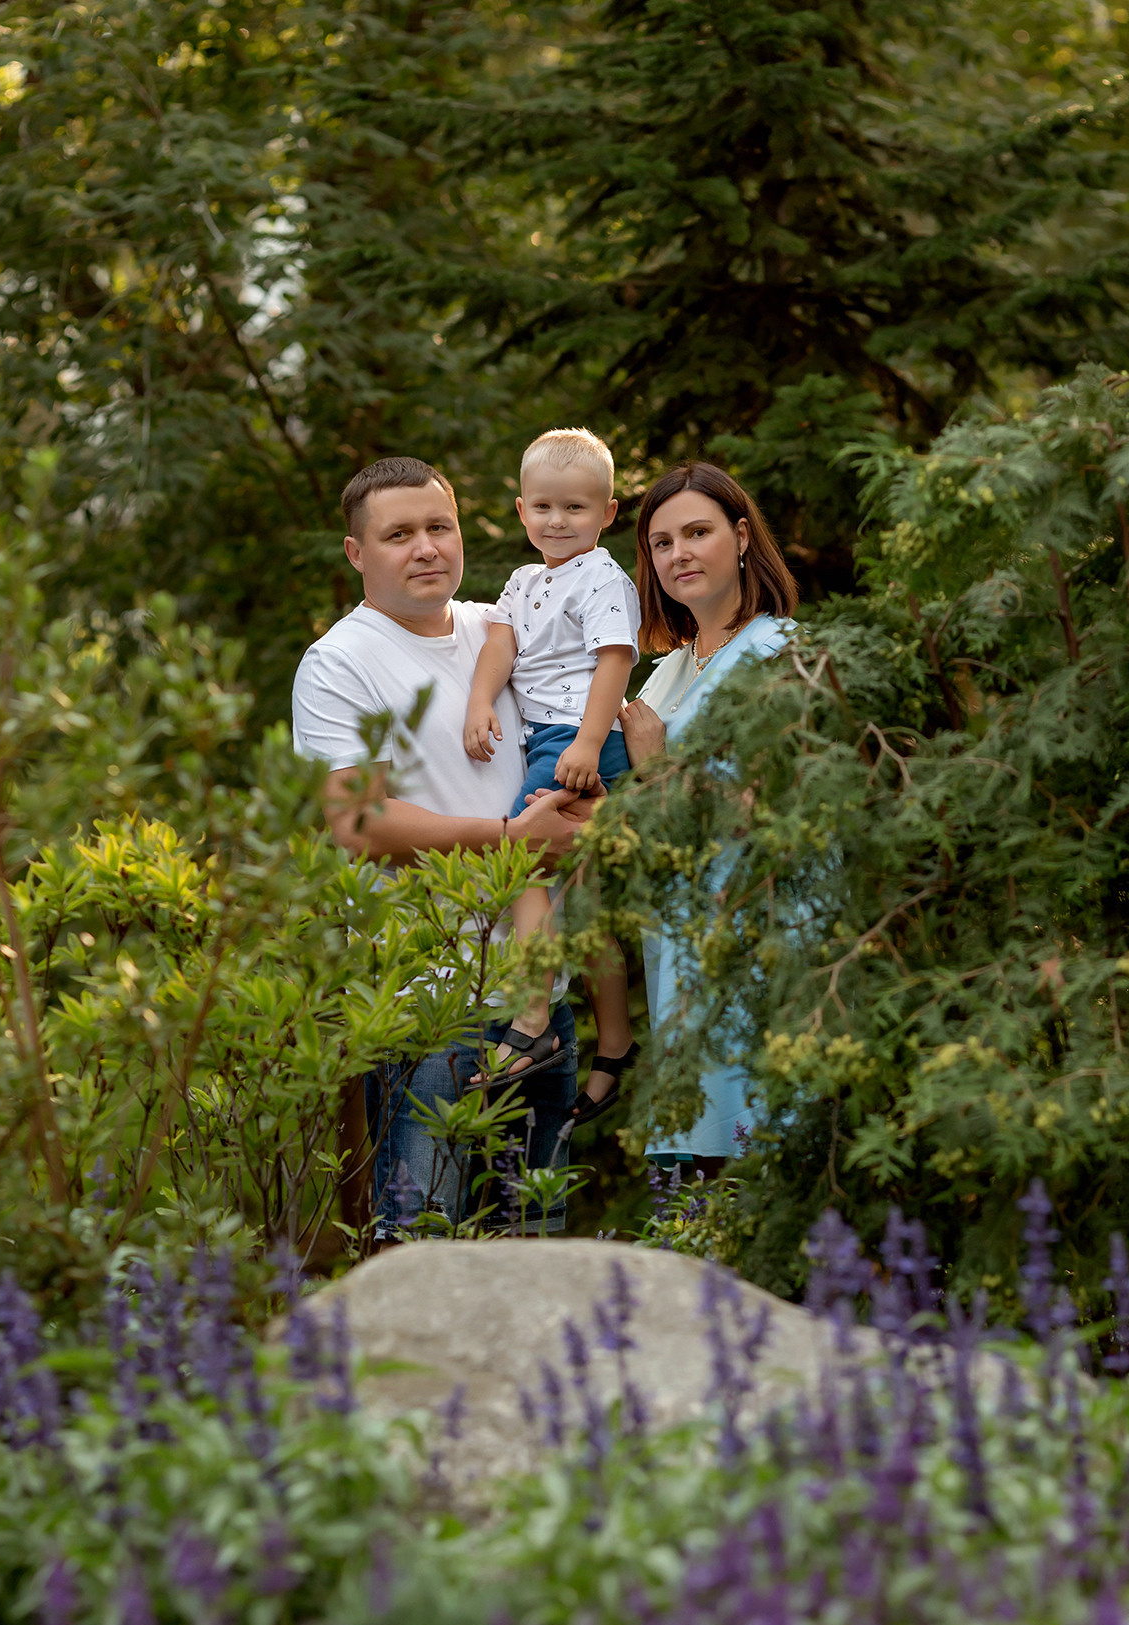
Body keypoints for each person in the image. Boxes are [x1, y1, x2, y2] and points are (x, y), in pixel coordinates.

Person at [291, 455, 593, 1237]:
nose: (425, 547)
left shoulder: (506, 627)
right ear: (358, 553)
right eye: (398, 534)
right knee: (423, 1244)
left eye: (438, 527)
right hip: (430, 1012)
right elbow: (358, 822)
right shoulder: (339, 664)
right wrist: (511, 840)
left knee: (540, 1245)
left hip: (538, 1000)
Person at [619, 460, 800, 1174]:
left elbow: (772, 815)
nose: (678, 555)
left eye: (697, 532)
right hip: (681, 962)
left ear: (743, 536)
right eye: (661, 543)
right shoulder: (668, 669)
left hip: (753, 957)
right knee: (694, 1191)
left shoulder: (778, 652)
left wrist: (658, 765)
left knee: (748, 1176)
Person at [463, 427, 640, 1121]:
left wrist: (590, 746)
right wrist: (481, 700)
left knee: (524, 859)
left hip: (577, 738)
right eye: (543, 508)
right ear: (520, 511)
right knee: (584, 903)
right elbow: (502, 643)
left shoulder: (601, 576)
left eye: (575, 508)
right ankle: (616, 1043)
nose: (557, 521)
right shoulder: (522, 580)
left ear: (607, 514)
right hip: (550, 736)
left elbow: (615, 661)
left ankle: (532, 1018)